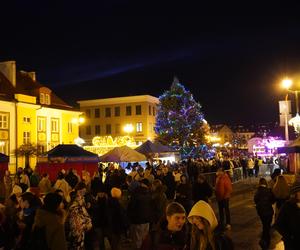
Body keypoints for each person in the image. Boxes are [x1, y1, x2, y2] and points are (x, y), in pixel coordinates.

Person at [274, 179, 300, 250]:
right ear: (295, 193)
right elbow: (278, 224)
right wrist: (289, 236)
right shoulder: (287, 206)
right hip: (292, 243)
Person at [254, 178, 275, 249]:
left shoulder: (258, 192)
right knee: (267, 225)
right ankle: (266, 240)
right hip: (269, 211)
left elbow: (255, 200)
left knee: (265, 225)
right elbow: (273, 200)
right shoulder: (269, 191)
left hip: (261, 212)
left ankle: (264, 239)